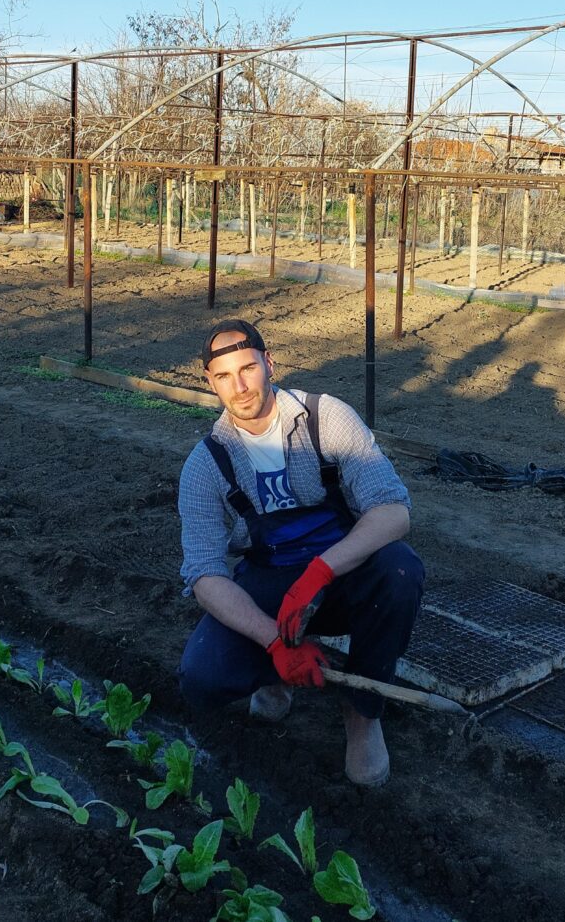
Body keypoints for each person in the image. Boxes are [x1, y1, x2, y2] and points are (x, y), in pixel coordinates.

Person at [177, 319, 425, 787]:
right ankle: (274, 670)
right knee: (202, 678)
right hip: (271, 576)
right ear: (210, 383)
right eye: (225, 376)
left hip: (344, 572)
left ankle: (362, 715)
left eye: (248, 369)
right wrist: (272, 639)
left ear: (270, 364)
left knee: (400, 570)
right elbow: (205, 574)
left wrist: (320, 572)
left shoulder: (325, 419)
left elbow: (393, 511)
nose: (241, 386)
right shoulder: (205, 463)